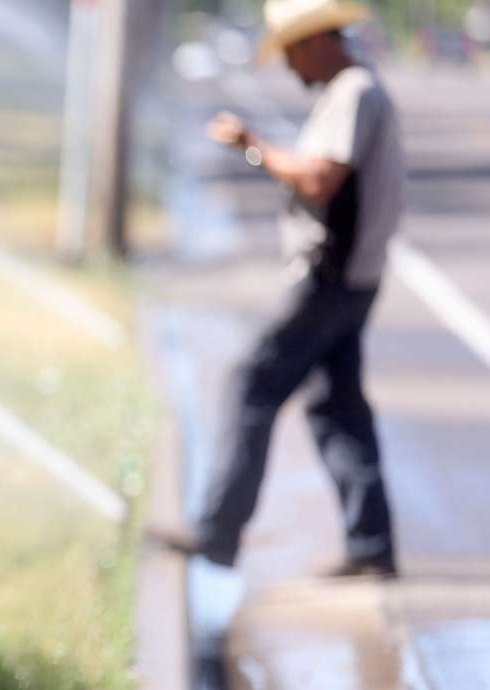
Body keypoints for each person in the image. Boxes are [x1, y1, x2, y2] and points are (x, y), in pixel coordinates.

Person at [151, 0, 405, 577]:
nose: (290, 65)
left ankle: (218, 532)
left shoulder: (354, 92)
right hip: (353, 278)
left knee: (251, 383)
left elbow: (319, 177)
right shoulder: (354, 90)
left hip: (330, 278)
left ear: (317, 41)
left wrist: (253, 145)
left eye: (291, 51)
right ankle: (371, 545)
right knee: (336, 407)